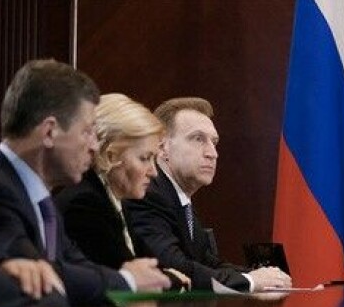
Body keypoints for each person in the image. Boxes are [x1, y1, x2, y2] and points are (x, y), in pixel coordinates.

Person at [0, 59, 170, 307]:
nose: (95, 147)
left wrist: (127, 277)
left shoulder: (41, 198)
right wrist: (127, 281)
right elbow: (45, 283)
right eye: (87, 132)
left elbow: (74, 266)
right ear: (49, 132)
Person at [125, 97, 291, 291]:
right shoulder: (148, 194)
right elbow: (174, 266)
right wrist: (250, 281)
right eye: (198, 139)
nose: (213, 153)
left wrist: (263, 276)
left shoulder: (180, 200)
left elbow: (208, 263)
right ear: (162, 148)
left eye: (214, 142)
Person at [55, 93, 190, 288]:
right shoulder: (85, 204)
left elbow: (150, 267)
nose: (154, 173)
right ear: (110, 156)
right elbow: (132, 279)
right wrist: (171, 278)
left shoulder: (116, 201)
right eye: (145, 158)